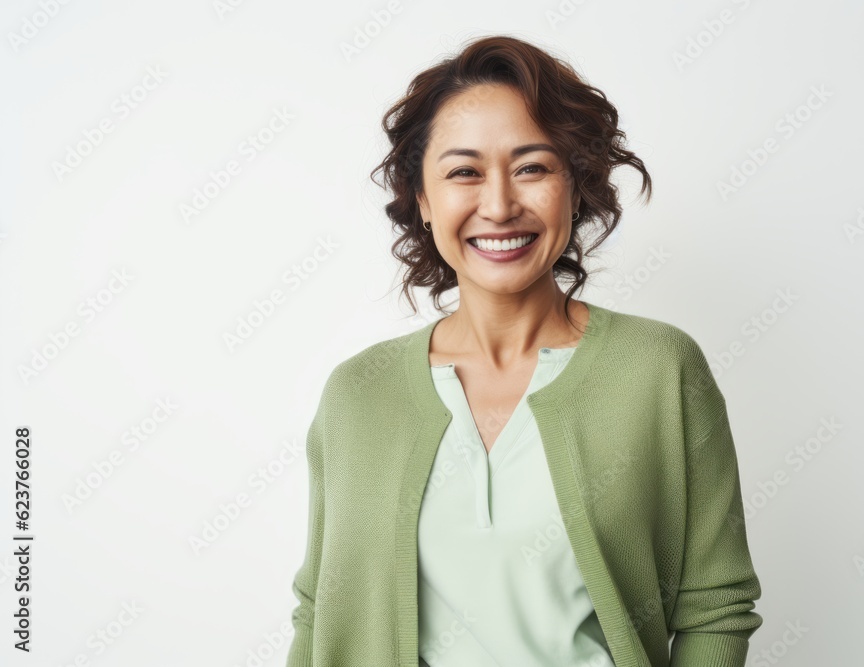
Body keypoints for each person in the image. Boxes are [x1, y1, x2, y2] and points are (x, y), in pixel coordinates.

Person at [286, 34, 763, 667]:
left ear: (575, 185)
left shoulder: (658, 371)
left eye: (532, 166)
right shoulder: (359, 393)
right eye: (463, 172)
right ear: (423, 200)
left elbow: (716, 609)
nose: (500, 204)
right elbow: (320, 611)